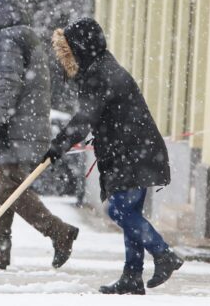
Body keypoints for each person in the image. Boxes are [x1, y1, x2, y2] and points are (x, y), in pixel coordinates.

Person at [45, 17, 183, 295]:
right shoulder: (102, 67)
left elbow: (84, 119)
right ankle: (132, 276)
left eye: (69, 51)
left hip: (132, 152)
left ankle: (163, 253)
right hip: (135, 150)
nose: (67, 58)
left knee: (119, 210)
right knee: (129, 212)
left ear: (81, 48)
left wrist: (57, 146)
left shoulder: (100, 74)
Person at [0, 0, 79, 270]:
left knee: (9, 188)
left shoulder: (8, 40)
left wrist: (2, 122)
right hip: (19, 127)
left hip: (15, 129)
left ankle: (60, 232)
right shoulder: (20, 36)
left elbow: (7, 83)